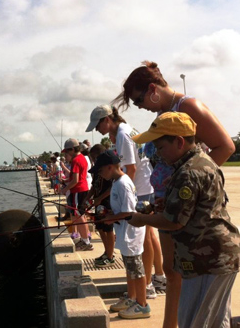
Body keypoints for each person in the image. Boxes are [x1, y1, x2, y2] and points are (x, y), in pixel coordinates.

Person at [112, 60, 236, 328]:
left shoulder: (188, 107)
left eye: (139, 99)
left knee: (185, 272)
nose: (140, 106)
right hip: (169, 201)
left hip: (186, 207)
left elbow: (225, 147)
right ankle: (171, 323)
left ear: (153, 89)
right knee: (171, 269)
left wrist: (188, 186)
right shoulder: (162, 116)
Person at [130, 112, 240, 328]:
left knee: (194, 322)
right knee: (215, 322)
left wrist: (142, 218)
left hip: (207, 261)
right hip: (218, 257)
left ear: (179, 142)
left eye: (161, 147)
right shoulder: (201, 162)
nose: (159, 154)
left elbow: (174, 222)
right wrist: (168, 206)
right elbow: (197, 207)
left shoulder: (188, 172)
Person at [86, 104, 159, 299]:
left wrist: (124, 192)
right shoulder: (126, 130)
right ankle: (157, 276)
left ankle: (148, 285)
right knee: (150, 236)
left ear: (107, 120)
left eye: (97, 125)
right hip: (145, 186)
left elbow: (131, 169)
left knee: (144, 239)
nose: (97, 130)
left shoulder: (122, 135)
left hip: (140, 188)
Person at [89, 150, 150, 320]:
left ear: (110, 167)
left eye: (100, 171)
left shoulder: (123, 183)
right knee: (129, 269)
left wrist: (110, 218)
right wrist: (108, 212)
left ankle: (143, 305)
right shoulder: (116, 182)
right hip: (123, 232)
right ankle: (131, 298)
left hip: (131, 233)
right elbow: (121, 209)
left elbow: (129, 211)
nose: (100, 175)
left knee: (137, 270)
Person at [82, 144, 115, 267]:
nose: (93, 161)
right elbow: (94, 186)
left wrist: (100, 198)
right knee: (100, 228)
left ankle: (110, 256)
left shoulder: (108, 169)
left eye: (95, 158)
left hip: (106, 203)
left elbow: (112, 188)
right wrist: (87, 198)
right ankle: (106, 252)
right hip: (97, 202)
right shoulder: (97, 169)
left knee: (108, 229)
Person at [59, 138, 92, 251]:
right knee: (81, 216)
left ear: (72, 149)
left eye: (67, 151)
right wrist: (67, 181)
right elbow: (74, 177)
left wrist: (65, 189)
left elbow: (75, 180)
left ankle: (86, 242)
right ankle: (85, 239)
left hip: (78, 191)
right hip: (83, 189)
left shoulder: (76, 160)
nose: (67, 154)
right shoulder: (82, 158)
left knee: (78, 216)